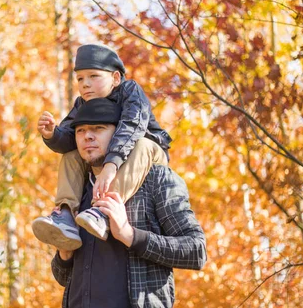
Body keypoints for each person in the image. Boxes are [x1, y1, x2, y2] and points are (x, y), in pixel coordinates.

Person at [50, 98, 207, 308]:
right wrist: (64, 254)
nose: (88, 136)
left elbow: (196, 251)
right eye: (80, 130)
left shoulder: (156, 179)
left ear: (118, 136)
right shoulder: (76, 189)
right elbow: (63, 277)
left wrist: (129, 235)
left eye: (98, 128)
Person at [32, 44, 172, 250]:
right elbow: (71, 138)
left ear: (115, 78)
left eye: (93, 76)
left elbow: (132, 126)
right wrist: (53, 135)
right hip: (114, 159)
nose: (85, 84)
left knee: (143, 143)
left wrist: (110, 165)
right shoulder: (82, 104)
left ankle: (103, 211)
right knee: (72, 155)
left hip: (149, 154)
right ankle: (65, 215)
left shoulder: (130, 91)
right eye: (80, 79)